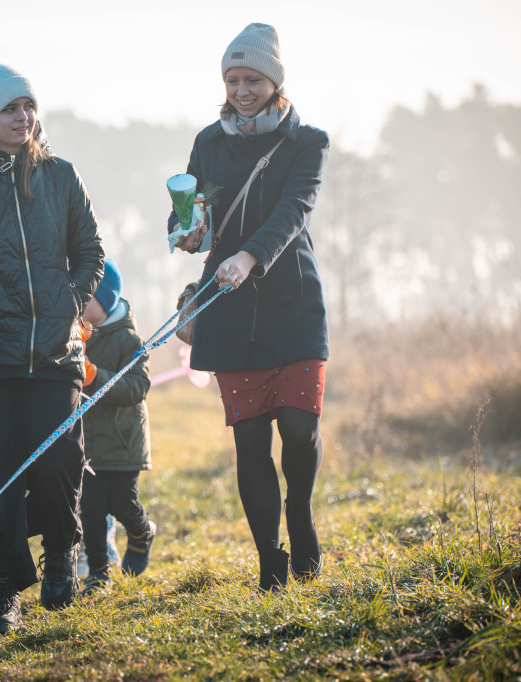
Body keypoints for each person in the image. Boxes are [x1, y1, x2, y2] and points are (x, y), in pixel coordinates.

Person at [0, 63, 104, 637]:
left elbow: (90, 252)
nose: (22, 117)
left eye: (28, 106)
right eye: (10, 109)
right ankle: (3, 591)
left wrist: (70, 301)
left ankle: (61, 557)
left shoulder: (60, 176)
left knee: (59, 466)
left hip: (56, 357)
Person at [168, 23, 330, 591]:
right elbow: (192, 210)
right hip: (229, 308)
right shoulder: (208, 143)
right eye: (233, 80)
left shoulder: (306, 142)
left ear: (275, 81)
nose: (241, 89)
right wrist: (188, 233)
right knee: (250, 439)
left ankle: (301, 520)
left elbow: (295, 209)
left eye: (253, 79)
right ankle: (270, 558)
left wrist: (249, 256)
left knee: (299, 431)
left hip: (293, 302)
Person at [76, 258, 155, 594]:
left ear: (105, 300)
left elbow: (137, 387)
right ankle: (98, 572)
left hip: (123, 442)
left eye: (86, 296)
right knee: (91, 510)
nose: (78, 303)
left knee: (123, 503)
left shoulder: (128, 340)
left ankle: (141, 532)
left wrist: (95, 377)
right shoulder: (75, 336)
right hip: (87, 445)